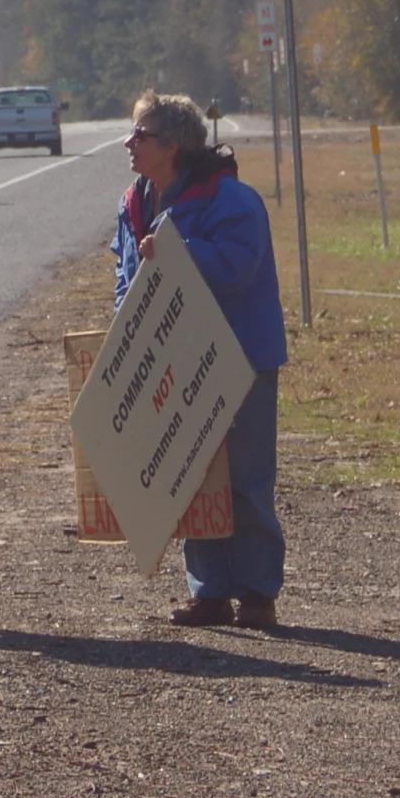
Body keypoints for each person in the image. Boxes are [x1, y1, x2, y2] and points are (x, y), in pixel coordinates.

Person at [111, 90, 289, 630]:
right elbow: (125, 276)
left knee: (246, 479)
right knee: (187, 476)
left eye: (140, 135)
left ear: (173, 144)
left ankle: (258, 593)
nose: (129, 143)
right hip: (173, 357)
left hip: (241, 355)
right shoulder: (134, 201)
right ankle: (208, 591)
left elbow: (236, 267)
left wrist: (176, 248)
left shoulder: (232, 200)